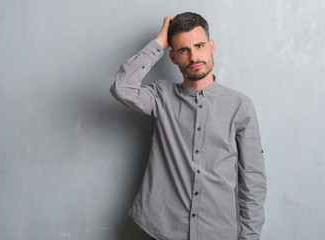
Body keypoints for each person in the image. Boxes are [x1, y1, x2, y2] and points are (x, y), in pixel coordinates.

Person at [110, 12, 266, 240]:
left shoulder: (240, 106)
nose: (194, 56)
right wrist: (159, 43)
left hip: (216, 233)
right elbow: (122, 88)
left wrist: (250, 237)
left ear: (211, 46)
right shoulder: (161, 95)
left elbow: (253, 181)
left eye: (199, 45)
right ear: (173, 57)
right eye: (183, 50)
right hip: (159, 230)